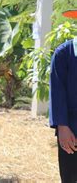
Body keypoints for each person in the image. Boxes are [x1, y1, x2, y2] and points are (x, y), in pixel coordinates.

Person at [49, 9, 77, 183]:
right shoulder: (64, 54)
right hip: (72, 129)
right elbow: (57, 94)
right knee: (70, 177)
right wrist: (62, 127)